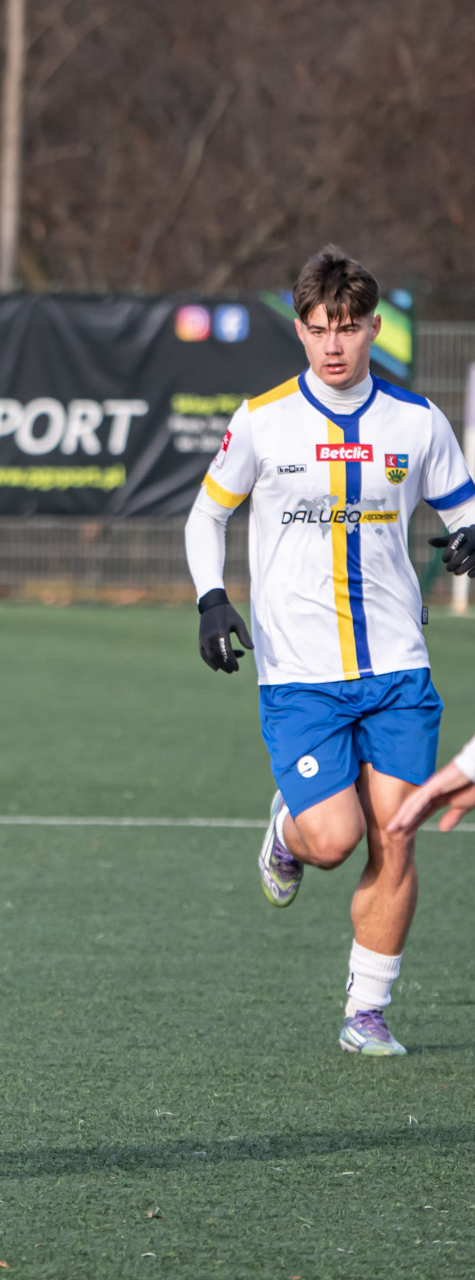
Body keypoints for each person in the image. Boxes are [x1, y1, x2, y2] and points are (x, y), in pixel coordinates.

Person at [186, 244, 475, 1056]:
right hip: (301, 675)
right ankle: (288, 830)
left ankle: (366, 1011)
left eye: (348, 328)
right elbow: (207, 514)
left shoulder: (418, 422)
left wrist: (470, 535)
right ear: (301, 330)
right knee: (333, 840)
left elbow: (464, 509)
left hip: (398, 669)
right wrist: (211, 598)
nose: (334, 345)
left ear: (374, 328)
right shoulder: (262, 419)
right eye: (319, 329)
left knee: (399, 831)